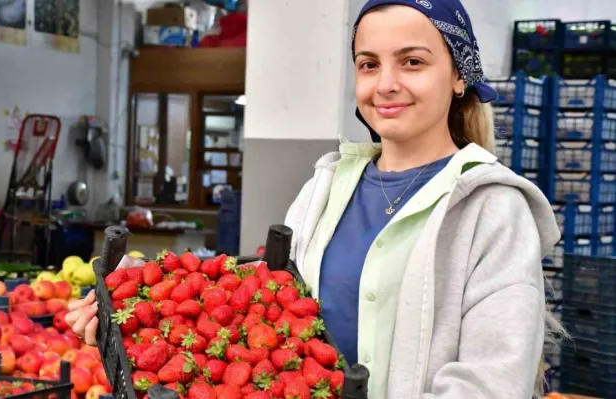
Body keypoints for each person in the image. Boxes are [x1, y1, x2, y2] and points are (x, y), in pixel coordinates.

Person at [66, 0, 562, 397]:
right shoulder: (324, 189)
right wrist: (136, 301)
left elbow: (492, 382)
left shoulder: (494, 209)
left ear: (458, 77)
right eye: (369, 64)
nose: (386, 84)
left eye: (413, 61)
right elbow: (262, 311)